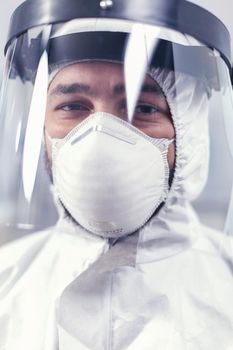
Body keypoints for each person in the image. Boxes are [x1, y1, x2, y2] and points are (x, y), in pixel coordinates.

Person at [0, 1, 233, 349]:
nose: (99, 140)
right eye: (73, 106)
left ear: (191, 128)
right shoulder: (7, 281)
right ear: (42, 127)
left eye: (143, 108)